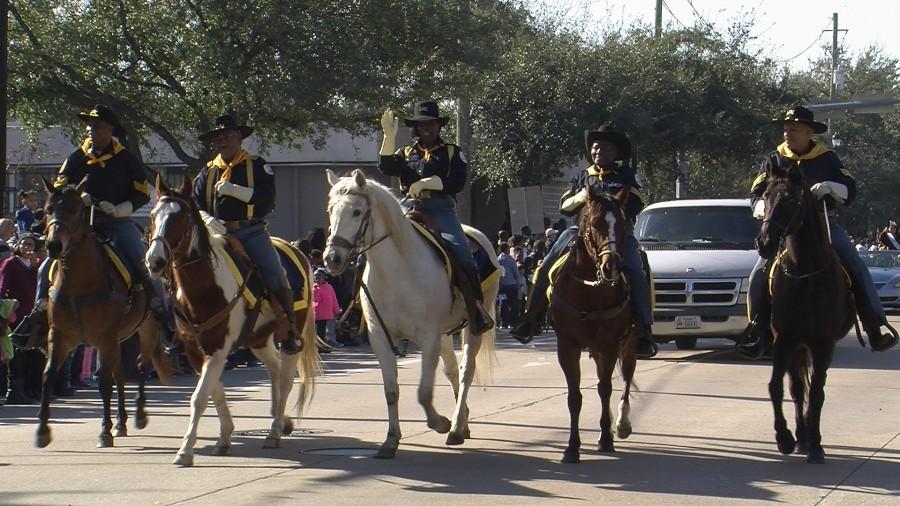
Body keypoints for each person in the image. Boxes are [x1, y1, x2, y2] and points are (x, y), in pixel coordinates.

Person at [13, 105, 176, 353]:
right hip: (80, 226)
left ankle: (160, 313)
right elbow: (59, 188)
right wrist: (77, 196)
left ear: (110, 130)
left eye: (97, 125)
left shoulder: (126, 159)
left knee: (140, 260)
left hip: (116, 222)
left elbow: (142, 193)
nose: (91, 129)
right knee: (47, 265)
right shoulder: (76, 158)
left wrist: (122, 208)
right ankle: (39, 311)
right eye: (89, 125)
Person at [739, 105, 898, 357]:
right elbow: (755, 194)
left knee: (855, 265)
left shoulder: (827, 159)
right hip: (785, 231)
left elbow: (850, 188)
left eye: (794, 130)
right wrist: (764, 210)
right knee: (759, 272)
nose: (788, 134)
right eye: (786, 129)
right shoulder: (774, 159)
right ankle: (757, 329)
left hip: (824, 226)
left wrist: (831, 187)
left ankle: (875, 326)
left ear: (809, 132)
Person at [510, 124, 658, 358]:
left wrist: (609, 203)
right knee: (546, 265)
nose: (599, 151)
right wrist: (582, 196)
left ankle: (644, 329)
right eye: (596, 147)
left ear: (615, 152)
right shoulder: (582, 176)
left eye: (605, 147)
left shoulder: (626, 175)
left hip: (617, 233)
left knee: (636, 270)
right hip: (580, 232)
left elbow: (637, 201)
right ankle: (530, 318)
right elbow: (565, 206)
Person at [378, 100, 493, 335]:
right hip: (408, 205)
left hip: (439, 207)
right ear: (415, 128)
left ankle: (476, 308)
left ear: (438, 125)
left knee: (461, 250)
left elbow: (458, 182)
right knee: (377, 241)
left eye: (430, 124)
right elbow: (387, 167)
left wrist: (431, 183)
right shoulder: (406, 152)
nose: (426, 128)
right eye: (421, 125)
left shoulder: (452, 152)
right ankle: (366, 308)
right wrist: (388, 138)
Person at [193, 114, 301, 354]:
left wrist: (234, 190)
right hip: (216, 235)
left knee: (275, 272)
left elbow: (267, 199)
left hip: (251, 232)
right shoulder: (207, 172)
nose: (224, 141)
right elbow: (195, 204)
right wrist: (207, 219)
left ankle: (289, 329)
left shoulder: (258, 165)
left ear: (239, 138)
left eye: (229, 136)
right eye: (219, 138)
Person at [0, 234, 39, 404]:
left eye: (31, 245)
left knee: (29, 353)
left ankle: (28, 389)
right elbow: (2, 287)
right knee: (16, 354)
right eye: (25, 244)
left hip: (31, 314)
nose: (28, 248)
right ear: (19, 245)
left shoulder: (34, 266)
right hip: (16, 314)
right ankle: (13, 390)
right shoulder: (10, 263)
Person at [313, 268, 342, 348]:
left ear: (324, 278)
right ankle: (320, 346)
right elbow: (315, 300)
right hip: (318, 314)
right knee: (319, 331)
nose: (317, 279)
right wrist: (315, 289)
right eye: (315, 277)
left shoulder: (329, 287)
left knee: (329, 329)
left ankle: (329, 342)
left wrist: (336, 310)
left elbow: (334, 299)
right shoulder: (314, 288)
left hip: (328, 313)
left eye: (319, 277)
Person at [496, 242, 521, 329]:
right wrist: (518, 283)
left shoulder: (498, 260)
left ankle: (504, 322)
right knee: (513, 304)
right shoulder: (511, 259)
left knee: (503, 304)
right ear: (506, 249)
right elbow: (515, 273)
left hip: (502, 286)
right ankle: (513, 322)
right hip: (512, 286)